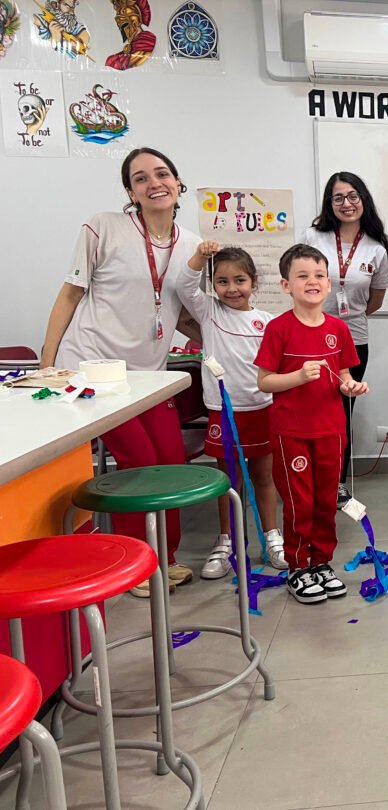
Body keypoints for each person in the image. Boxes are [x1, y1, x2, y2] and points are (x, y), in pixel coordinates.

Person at [41, 146, 202, 598]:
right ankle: (136, 566)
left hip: (150, 376)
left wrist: (232, 340)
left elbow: (181, 313)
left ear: (178, 182)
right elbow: (71, 294)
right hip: (93, 370)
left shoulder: (191, 245)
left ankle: (166, 558)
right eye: (140, 178)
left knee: (171, 464)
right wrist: (48, 362)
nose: (154, 183)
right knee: (138, 465)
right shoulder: (104, 227)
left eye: (162, 173)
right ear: (130, 192)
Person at [255, 244, 368, 605]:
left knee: (325, 501)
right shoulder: (279, 328)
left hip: (331, 431)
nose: (312, 281)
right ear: (286, 285)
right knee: (299, 503)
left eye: (319, 275)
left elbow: (343, 374)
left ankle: (321, 562)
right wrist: (298, 377)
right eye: (302, 276)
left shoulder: (338, 328)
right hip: (291, 432)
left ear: (329, 284)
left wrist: (350, 386)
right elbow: (264, 381)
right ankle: (297, 566)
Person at [179, 243, 285, 577]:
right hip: (223, 412)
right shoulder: (209, 312)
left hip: (261, 408)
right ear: (213, 285)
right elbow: (184, 285)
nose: (232, 289)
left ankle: (272, 538)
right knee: (228, 481)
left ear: (254, 282)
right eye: (222, 282)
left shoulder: (268, 322)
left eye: (240, 280)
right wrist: (200, 256)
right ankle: (227, 541)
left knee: (264, 477)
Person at [301, 171, 388, 505]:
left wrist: (346, 319)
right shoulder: (313, 236)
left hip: (353, 340)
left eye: (353, 196)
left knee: (341, 412)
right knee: (308, 410)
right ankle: (306, 477)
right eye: (338, 197)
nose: (346, 203)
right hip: (309, 336)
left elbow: (376, 300)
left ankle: (337, 482)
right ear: (330, 203)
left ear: (363, 199)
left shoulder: (376, 247)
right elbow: (300, 281)